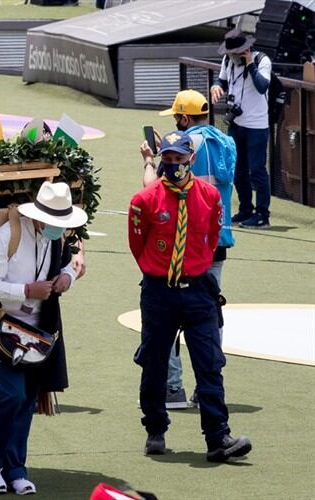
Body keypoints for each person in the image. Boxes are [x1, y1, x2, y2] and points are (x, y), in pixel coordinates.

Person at [129, 130, 251, 462]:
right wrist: (161, 273)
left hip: (199, 292)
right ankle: (155, 428)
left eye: (179, 160)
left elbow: (212, 238)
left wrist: (193, 269)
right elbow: (137, 246)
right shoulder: (145, 199)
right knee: (154, 364)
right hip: (159, 292)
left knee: (210, 365)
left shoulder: (210, 197)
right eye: (167, 160)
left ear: (191, 160)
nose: (173, 166)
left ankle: (218, 437)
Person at [0, 181, 87, 495]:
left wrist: (68, 277)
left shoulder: (55, 237)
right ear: (38, 215)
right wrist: (25, 290)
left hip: (36, 325)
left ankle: (16, 468)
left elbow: (69, 265)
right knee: (11, 393)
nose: (58, 228)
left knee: (27, 397)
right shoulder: (7, 235)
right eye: (54, 222)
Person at [141, 89, 237, 410]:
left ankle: (172, 389)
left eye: (177, 118)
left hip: (181, 249)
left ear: (184, 118)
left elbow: (155, 190)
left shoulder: (180, 146)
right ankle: (206, 386)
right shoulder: (224, 142)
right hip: (217, 243)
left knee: (165, 317)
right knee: (211, 317)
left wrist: (152, 159)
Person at [210, 27, 271, 229]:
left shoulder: (262, 60)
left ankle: (262, 214)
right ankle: (246, 209)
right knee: (238, 170)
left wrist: (250, 65)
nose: (231, 57)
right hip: (236, 123)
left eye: (235, 53)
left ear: (245, 50)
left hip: (257, 125)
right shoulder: (228, 61)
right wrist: (216, 87)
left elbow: (262, 86)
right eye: (229, 53)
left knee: (257, 171)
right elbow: (222, 81)